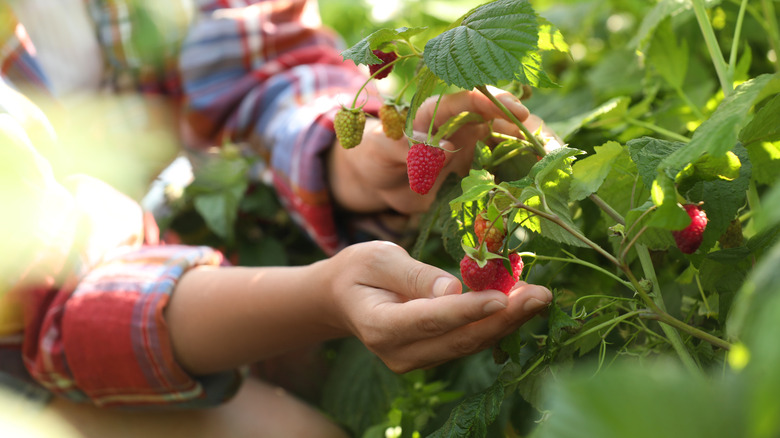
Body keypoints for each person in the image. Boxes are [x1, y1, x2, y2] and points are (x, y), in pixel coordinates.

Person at [0, 0, 554, 436]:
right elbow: (49, 298)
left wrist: (349, 158)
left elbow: (262, 63)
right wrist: (318, 298)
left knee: (305, 362)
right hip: (23, 317)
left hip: (131, 258)